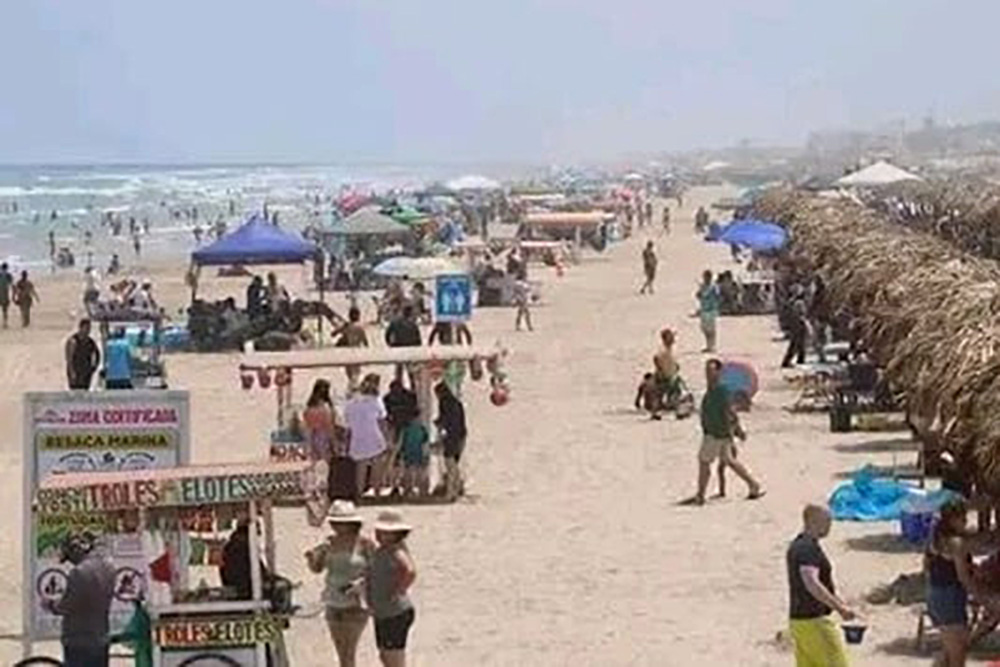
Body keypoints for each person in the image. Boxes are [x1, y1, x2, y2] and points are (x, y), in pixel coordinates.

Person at [682, 359, 764, 506]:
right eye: (707, 371)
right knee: (729, 461)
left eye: (712, 371)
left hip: (716, 432)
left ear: (719, 372)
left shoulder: (721, 391)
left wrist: (737, 430)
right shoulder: (713, 389)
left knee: (704, 462)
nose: (708, 374)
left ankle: (700, 495)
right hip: (718, 431)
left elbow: (729, 412)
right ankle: (753, 484)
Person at [305, 501, 374, 667]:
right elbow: (317, 569)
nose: (335, 525)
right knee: (342, 654)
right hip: (333, 602)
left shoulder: (364, 543)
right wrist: (312, 558)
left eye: (339, 522)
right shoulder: (329, 543)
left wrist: (362, 583)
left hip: (356, 604)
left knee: (348, 653)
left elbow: (379, 570)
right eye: (334, 522)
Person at [787, 504, 856, 667]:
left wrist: (840, 603)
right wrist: (839, 608)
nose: (829, 525)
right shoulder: (807, 549)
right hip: (814, 620)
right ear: (812, 521)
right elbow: (812, 583)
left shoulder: (798, 545)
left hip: (799, 621)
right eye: (826, 521)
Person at [46, 532, 116, 667]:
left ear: (76, 551)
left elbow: (67, 605)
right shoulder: (108, 566)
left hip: (79, 640)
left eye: (70, 557)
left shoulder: (78, 573)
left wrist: (52, 605)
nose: (71, 562)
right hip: (101, 637)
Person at [926, 500, 976, 666]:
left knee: (948, 651)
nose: (966, 522)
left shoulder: (935, 540)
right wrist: (979, 597)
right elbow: (963, 577)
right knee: (957, 654)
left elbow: (927, 567)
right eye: (963, 518)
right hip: (951, 597)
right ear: (953, 519)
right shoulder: (956, 543)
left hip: (935, 594)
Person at [369, 511, 417, 667]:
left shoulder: (396, 550)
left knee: (393, 657)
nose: (379, 535)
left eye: (384, 532)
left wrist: (398, 591)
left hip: (394, 612)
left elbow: (410, 571)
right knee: (385, 655)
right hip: (384, 611)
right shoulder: (383, 550)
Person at [344, 373, 390, 498]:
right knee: (377, 466)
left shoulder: (351, 403)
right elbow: (382, 421)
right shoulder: (376, 401)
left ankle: (359, 493)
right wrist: (387, 438)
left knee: (361, 467)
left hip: (358, 437)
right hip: (374, 436)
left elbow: (348, 426)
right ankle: (377, 492)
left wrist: (346, 443)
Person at [303, 379, 337, 524]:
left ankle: (314, 509)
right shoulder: (325, 408)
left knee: (314, 474)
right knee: (324, 474)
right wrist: (334, 444)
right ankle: (322, 509)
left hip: (311, 439)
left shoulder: (308, 407)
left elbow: (306, 427)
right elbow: (329, 428)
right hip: (323, 439)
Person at [435, 381, 468, 501]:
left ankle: (450, 492)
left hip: (451, 436)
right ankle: (457, 488)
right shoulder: (456, 402)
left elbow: (444, 419)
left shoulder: (444, 402)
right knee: (454, 463)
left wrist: (438, 424)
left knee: (450, 464)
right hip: (461, 435)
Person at [334, 306, 369, 393]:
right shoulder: (360, 327)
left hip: (348, 351)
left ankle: (352, 387)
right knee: (357, 372)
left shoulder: (347, 326)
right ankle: (355, 387)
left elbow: (334, 333)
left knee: (349, 373)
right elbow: (365, 341)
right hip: (357, 351)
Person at [399, 411, 431, 498]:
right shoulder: (419, 429)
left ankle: (415, 490)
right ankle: (410, 489)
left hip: (415, 452)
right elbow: (425, 442)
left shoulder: (410, 429)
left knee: (414, 472)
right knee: (412, 472)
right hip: (412, 452)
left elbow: (425, 443)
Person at [66, 319, 100, 390]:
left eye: (89, 329)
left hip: (86, 373)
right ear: (81, 328)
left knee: (85, 391)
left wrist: (93, 368)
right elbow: (69, 358)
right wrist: (72, 371)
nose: (87, 331)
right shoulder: (73, 341)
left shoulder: (90, 342)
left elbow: (97, 354)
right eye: (86, 328)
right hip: (76, 371)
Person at [695, 270, 720, 353]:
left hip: (711, 309)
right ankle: (708, 345)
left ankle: (712, 345)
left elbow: (717, 296)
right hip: (704, 309)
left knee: (711, 329)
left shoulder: (713, 287)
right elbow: (697, 295)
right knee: (704, 329)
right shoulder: (702, 286)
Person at [782, 294, 810, 368]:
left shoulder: (794, 303)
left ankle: (800, 360)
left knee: (800, 344)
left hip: (796, 326)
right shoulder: (799, 303)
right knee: (796, 344)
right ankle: (788, 361)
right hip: (798, 325)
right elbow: (800, 315)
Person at [0, 262, 12, 328]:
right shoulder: (8, 275)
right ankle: (5, 323)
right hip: (5, 294)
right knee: (5, 310)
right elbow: (12, 285)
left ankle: (5, 323)